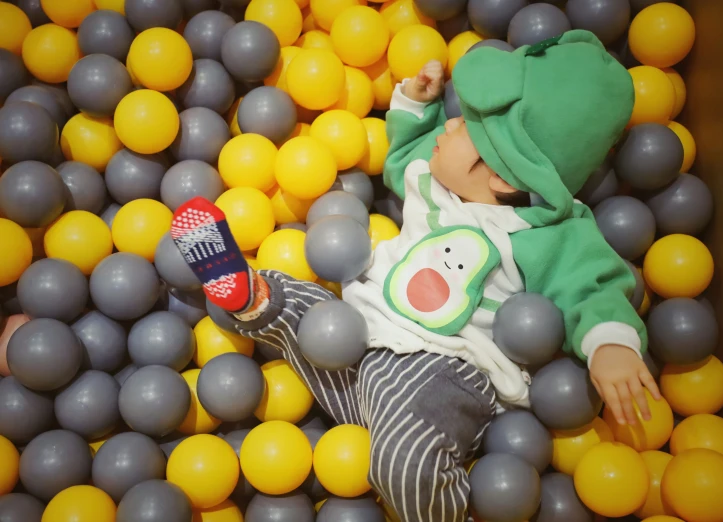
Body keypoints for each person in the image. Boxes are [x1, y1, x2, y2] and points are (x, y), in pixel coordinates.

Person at [170, 29, 660, 522]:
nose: (447, 128)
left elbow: (591, 281)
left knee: (406, 460)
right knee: (301, 305)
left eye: (463, 128)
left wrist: (611, 343)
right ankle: (251, 294)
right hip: (354, 333)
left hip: (443, 368)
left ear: (502, 178)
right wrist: (414, 104)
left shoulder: (547, 232)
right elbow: (405, 154)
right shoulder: (435, 182)